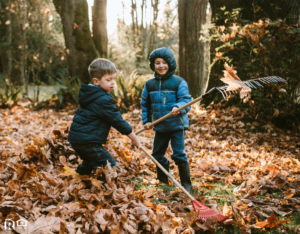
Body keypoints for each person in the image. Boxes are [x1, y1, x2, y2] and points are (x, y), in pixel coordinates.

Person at [68, 58, 140, 179]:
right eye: (108, 80)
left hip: (76, 139)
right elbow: (118, 121)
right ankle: (109, 192)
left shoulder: (90, 95)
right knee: (109, 164)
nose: (113, 83)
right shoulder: (103, 100)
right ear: (96, 81)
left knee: (90, 161)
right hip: (88, 141)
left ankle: (78, 179)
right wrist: (133, 138)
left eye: (114, 79)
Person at [140, 47, 193, 192]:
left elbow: (186, 101)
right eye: (157, 63)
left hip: (176, 125)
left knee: (178, 154)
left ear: (170, 63)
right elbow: (145, 104)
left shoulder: (178, 82)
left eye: (164, 62)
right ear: (153, 65)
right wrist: (146, 121)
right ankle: (163, 181)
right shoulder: (150, 84)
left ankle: (187, 185)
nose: (161, 66)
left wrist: (178, 107)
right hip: (160, 126)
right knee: (156, 154)